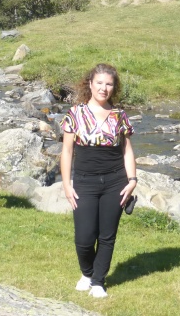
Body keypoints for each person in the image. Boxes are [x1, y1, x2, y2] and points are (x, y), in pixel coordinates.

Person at [60, 63, 137, 298]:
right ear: (90, 84)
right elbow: (66, 152)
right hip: (84, 181)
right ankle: (87, 272)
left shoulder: (119, 116)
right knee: (84, 237)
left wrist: (132, 179)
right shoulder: (75, 114)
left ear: (114, 88)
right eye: (100, 83)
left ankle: (98, 281)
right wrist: (66, 184)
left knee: (107, 236)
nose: (104, 88)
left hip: (115, 181)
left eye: (109, 84)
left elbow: (127, 151)